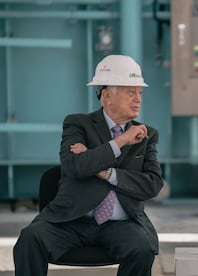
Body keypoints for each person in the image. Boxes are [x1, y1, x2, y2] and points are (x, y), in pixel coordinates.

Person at [13, 55, 164, 276]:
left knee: (142, 248)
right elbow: (74, 166)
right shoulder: (78, 124)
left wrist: (106, 172)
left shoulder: (147, 134)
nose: (138, 99)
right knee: (30, 239)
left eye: (139, 92)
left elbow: (153, 185)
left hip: (121, 224)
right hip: (71, 220)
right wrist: (121, 141)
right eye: (130, 92)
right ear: (106, 96)